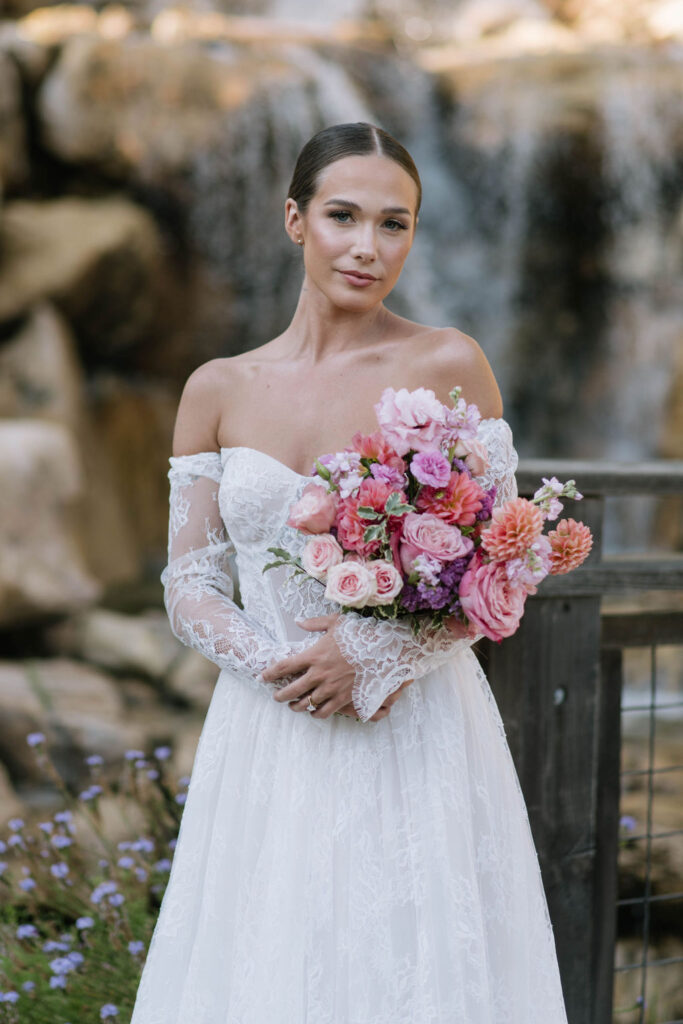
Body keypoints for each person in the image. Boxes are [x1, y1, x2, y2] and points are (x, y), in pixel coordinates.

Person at [130, 121, 568, 1023]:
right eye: (342, 216)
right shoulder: (217, 386)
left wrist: (372, 655)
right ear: (294, 220)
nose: (367, 248)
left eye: (394, 224)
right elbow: (188, 583)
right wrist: (284, 670)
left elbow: (505, 556)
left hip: (415, 725)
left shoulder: (446, 364)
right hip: (270, 727)